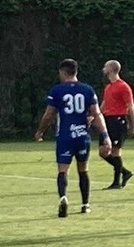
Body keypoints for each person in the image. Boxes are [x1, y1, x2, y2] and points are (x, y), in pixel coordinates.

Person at [33, 58, 112, 218]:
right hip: (82, 136)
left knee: (63, 170)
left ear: (63, 72)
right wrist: (105, 136)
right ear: (76, 72)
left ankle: (63, 197)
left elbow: (48, 115)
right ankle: (85, 204)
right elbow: (97, 114)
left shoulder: (57, 91)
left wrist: (40, 131)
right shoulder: (87, 90)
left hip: (65, 136)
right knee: (83, 169)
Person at [100, 59, 134, 189]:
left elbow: (131, 106)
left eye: (106, 66)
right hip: (107, 120)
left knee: (115, 151)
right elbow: (104, 104)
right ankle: (125, 172)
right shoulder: (108, 87)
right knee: (103, 152)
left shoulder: (123, 86)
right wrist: (96, 116)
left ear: (111, 69)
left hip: (118, 120)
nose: (104, 68)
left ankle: (116, 182)